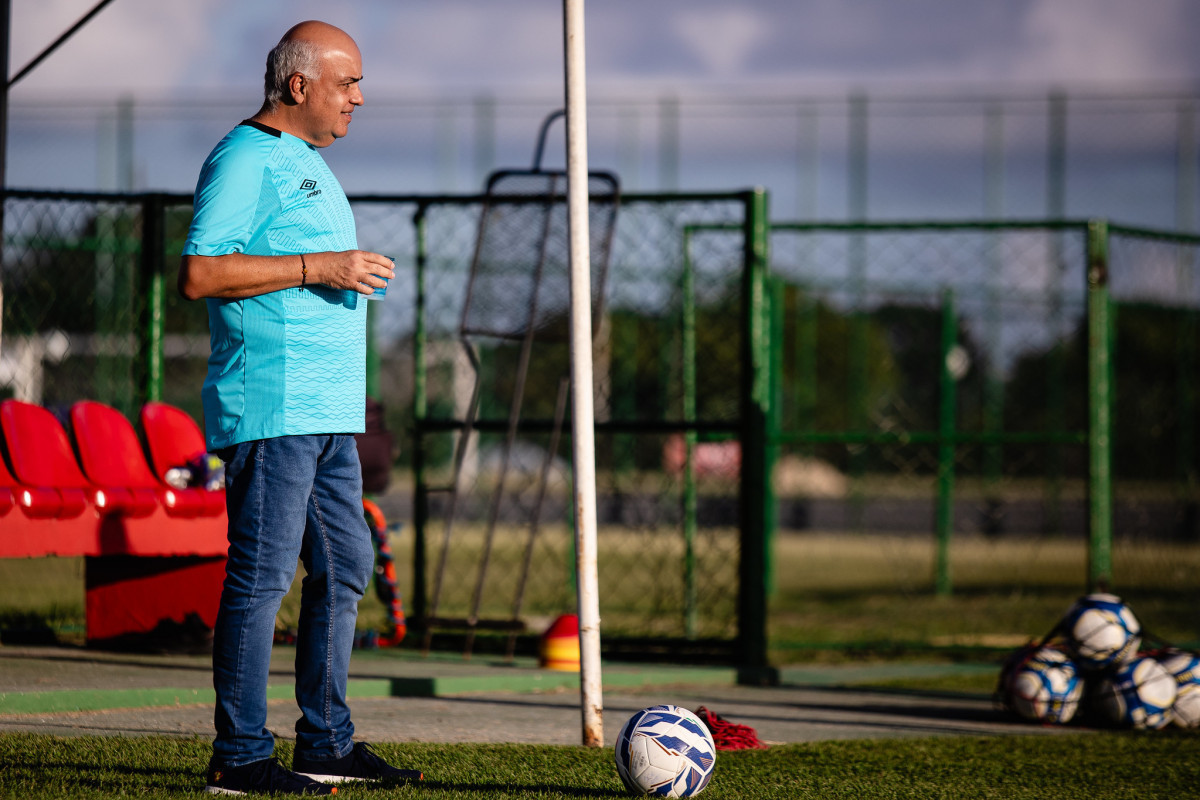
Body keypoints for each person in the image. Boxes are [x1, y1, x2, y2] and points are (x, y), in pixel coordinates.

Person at [180, 20, 420, 796]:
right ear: (299, 86)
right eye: (347, 83)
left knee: (347, 566)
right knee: (261, 579)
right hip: (273, 409)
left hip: (327, 417)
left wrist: (338, 270)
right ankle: (241, 757)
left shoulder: (303, 162)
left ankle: (326, 743)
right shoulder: (245, 157)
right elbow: (201, 273)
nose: (358, 98)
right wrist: (324, 264)